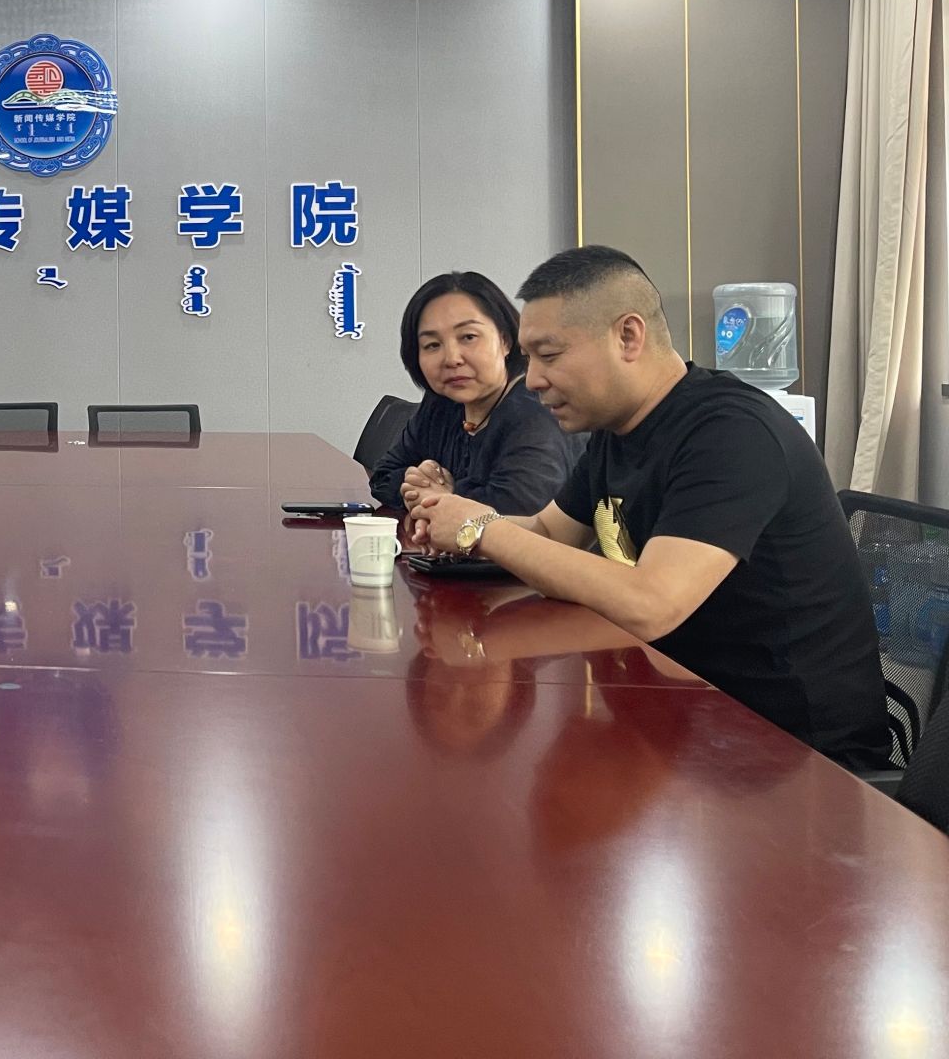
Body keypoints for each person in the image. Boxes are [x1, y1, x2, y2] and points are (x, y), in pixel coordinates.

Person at [410, 244, 890, 769]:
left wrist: (482, 527)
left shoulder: (731, 433)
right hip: (683, 713)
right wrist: (456, 522)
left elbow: (654, 603)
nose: (535, 379)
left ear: (628, 336)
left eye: (549, 355)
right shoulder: (617, 430)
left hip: (795, 756)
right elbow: (548, 532)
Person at [367, 270, 581, 516]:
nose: (452, 359)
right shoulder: (443, 402)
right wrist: (420, 485)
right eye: (432, 345)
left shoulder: (536, 412)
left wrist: (447, 496)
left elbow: (521, 511)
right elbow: (383, 476)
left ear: (505, 341)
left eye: (468, 337)